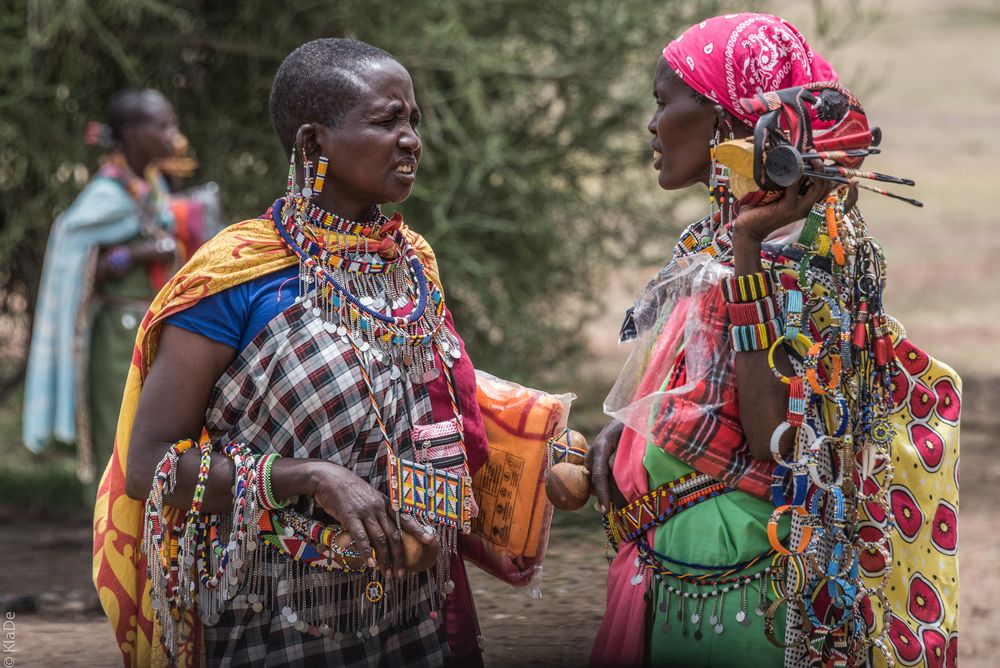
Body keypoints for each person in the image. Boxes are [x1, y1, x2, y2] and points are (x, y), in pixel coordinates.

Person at [92, 39, 489, 667]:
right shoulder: (238, 277)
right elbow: (149, 466)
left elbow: (433, 400)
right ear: (312, 144)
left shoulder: (411, 264)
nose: (411, 139)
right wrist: (309, 477)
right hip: (276, 620)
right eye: (388, 121)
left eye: (413, 121)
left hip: (413, 611)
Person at [586, 13, 959, 667]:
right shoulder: (716, 234)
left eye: (662, 103)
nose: (652, 125)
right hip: (676, 556)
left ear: (728, 122)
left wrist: (750, 250)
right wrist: (626, 435)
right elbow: (689, 383)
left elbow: (769, 438)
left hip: (740, 573)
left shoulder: (799, 248)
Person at [22, 89, 210, 501]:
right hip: (115, 335)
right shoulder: (106, 194)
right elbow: (83, 258)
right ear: (131, 133)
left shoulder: (151, 186)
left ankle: (146, 531)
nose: (172, 135)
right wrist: (138, 253)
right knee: (118, 434)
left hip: (152, 329)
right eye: (162, 126)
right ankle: (108, 529)